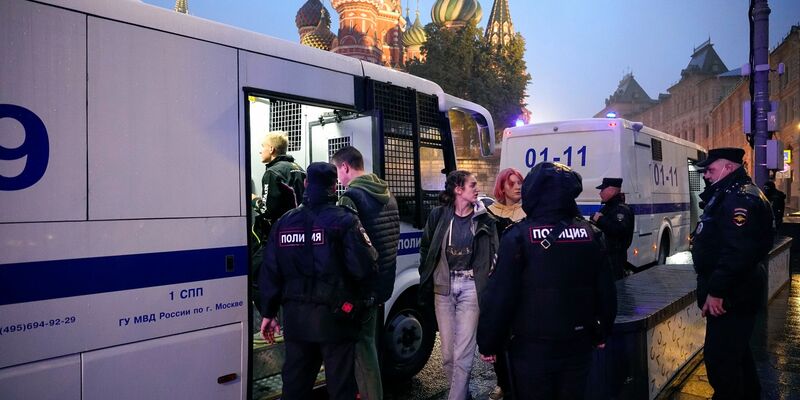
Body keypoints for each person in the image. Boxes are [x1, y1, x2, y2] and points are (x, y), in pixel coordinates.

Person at [477, 162, 617, 399]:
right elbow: (605, 290)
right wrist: (602, 332)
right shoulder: (592, 234)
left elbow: (500, 296)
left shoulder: (518, 236)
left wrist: (489, 342)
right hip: (578, 343)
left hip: (531, 348)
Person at [258, 162, 378, 400]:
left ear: (305, 184)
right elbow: (365, 268)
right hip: (337, 320)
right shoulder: (345, 221)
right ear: (334, 188)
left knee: (294, 387)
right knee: (341, 388)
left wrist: (268, 313)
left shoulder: (283, 223)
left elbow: (270, 271)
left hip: (296, 321)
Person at [691, 148, 774, 400]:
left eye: (710, 169)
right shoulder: (732, 193)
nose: (706, 175)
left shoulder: (738, 199)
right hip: (737, 290)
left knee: (721, 361)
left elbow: (737, 251)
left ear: (728, 167)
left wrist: (716, 291)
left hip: (733, 294)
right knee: (737, 354)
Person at [419, 170, 498, 400]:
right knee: (447, 354)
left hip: (471, 288)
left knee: (463, 353)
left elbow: (494, 253)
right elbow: (426, 248)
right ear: (458, 189)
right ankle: (462, 394)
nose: (477, 188)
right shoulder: (438, 216)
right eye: (472, 184)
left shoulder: (485, 219)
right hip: (443, 287)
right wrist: (427, 274)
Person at [331, 146, 400, 400]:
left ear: (345, 167)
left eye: (338, 171)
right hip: (382, 280)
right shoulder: (387, 193)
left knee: (363, 349)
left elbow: (348, 246)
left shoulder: (351, 197)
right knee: (369, 341)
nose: (338, 178)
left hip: (361, 286)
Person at [252, 131, 306, 312]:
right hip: (299, 237)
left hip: (279, 237)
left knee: (255, 275)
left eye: (262, 147)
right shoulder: (299, 168)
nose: (260, 151)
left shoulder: (272, 173)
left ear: (272, 149)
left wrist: (254, 200)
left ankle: (269, 321)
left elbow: (268, 211)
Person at [485, 167, 526, 400]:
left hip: (522, 281)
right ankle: (502, 382)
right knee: (499, 334)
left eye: (519, 182)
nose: (517, 186)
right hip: (497, 280)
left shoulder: (528, 213)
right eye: (512, 183)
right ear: (502, 187)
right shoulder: (490, 214)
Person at [591, 177, 634, 279]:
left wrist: (600, 220)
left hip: (615, 257)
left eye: (602, 190)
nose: (600, 193)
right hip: (606, 256)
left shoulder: (620, 209)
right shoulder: (608, 207)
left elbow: (619, 230)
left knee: (615, 287)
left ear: (611, 190)